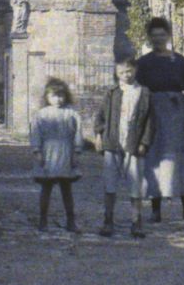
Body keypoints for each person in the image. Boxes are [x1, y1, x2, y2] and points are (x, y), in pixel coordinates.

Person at [135, 16, 184, 223]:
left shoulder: (180, 61)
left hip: (178, 113)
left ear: (168, 36)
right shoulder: (143, 63)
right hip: (154, 115)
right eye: (154, 35)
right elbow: (137, 90)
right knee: (156, 160)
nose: (158, 39)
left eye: (162, 35)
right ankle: (156, 210)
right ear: (149, 37)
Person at [93, 57, 154, 238]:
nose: (126, 75)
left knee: (135, 186)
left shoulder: (144, 93)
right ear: (116, 73)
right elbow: (100, 116)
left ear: (135, 70)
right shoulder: (111, 93)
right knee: (110, 184)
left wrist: (144, 142)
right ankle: (108, 221)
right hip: (112, 144)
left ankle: (136, 222)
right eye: (121, 72)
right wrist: (99, 135)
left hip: (133, 145)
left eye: (129, 71)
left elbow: (150, 122)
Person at [30, 77, 84, 231]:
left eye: (61, 96)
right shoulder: (41, 115)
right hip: (48, 154)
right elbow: (35, 133)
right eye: (54, 96)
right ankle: (43, 220)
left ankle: (71, 221)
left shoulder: (72, 114)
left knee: (66, 189)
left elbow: (78, 133)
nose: (58, 99)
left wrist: (76, 151)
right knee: (46, 188)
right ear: (47, 97)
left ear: (66, 96)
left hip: (66, 154)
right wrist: (37, 151)